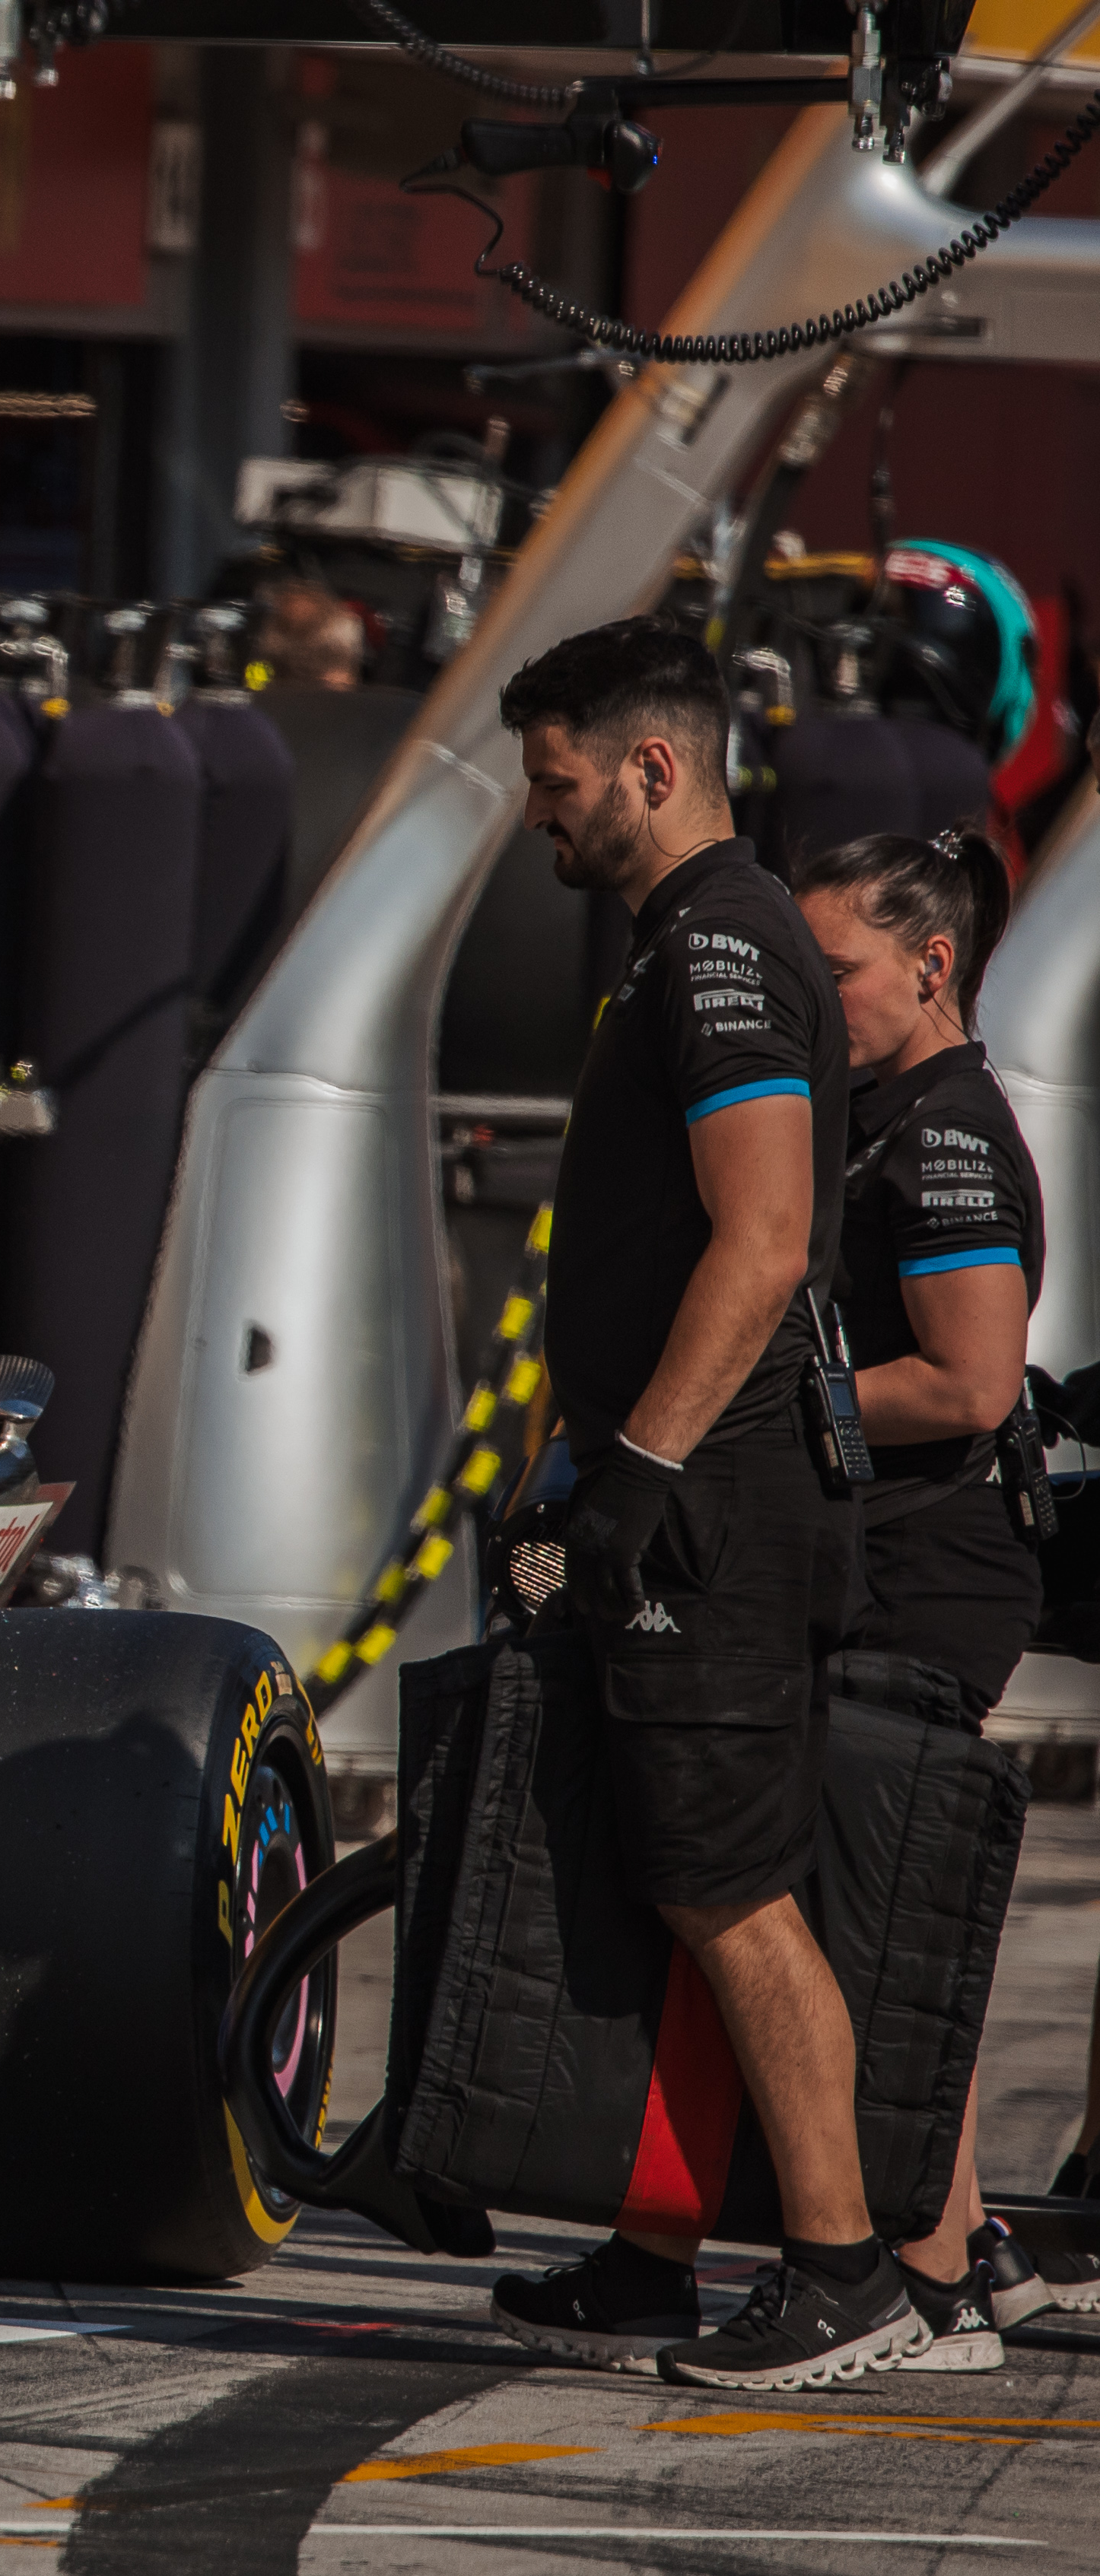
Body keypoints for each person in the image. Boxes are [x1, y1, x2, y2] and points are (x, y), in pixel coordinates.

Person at [482, 616, 916, 2388]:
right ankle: (653, 2257)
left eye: (558, 782)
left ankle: (845, 2275)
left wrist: (640, 1471)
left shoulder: (726, 945)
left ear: (654, 767)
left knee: (731, 1886)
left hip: (717, 1503)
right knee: (677, 1876)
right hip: (680, 1480)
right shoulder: (685, 942)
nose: (541, 819)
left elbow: (766, 1235)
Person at [793, 826, 1059, 2362]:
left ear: (927, 961)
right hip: (878, 1563)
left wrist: (776, 1402)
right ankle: (958, 2245)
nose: (814, 1001)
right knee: (881, 1923)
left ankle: (936, 2268)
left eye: (834, 971)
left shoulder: (944, 1126)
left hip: (927, 1575)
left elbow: (966, 1377)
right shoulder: (867, 1107)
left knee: (884, 1927)